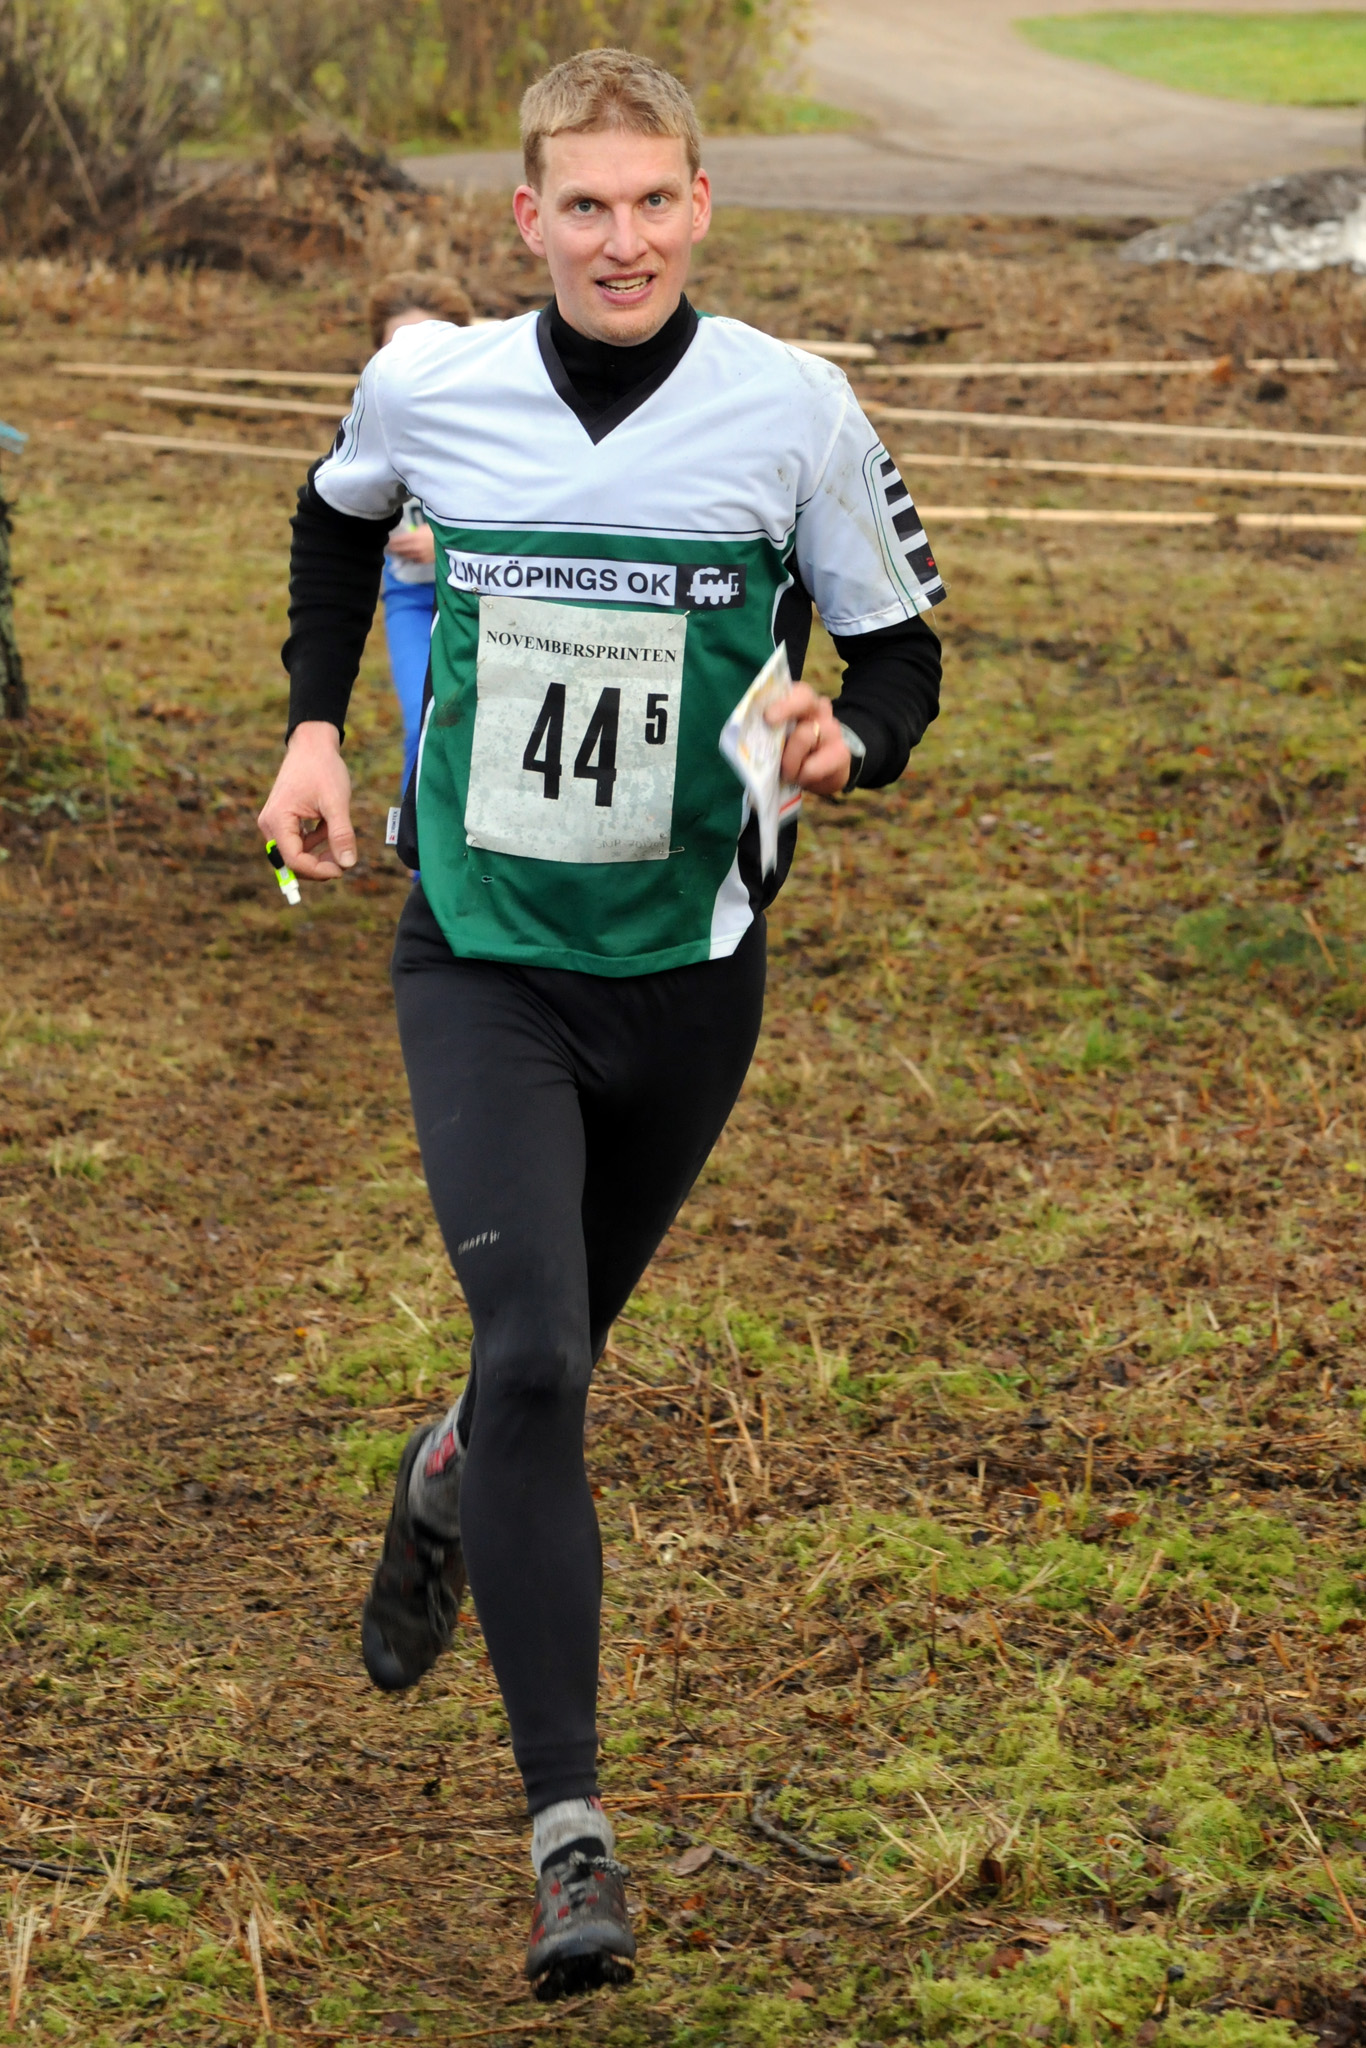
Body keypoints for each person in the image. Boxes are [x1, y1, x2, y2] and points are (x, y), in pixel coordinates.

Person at [257, 47, 944, 2002]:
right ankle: (570, 1833)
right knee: (541, 1353)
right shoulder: (434, 387)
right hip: (480, 955)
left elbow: (897, 648)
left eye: (652, 202)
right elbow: (334, 518)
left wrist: (850, 739)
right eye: (583, 204)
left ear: (701, 206)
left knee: (533, 1382)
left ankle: (446, 1471)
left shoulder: (791, 410)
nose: (619, 239)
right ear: (526, 218)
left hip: (690, 974)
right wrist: (314, 727)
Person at [367, 272, 474, 798]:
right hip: (410, 597)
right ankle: (416, 849)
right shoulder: (371, 419)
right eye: (395, 350)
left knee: (473, 733)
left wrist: (447, 543)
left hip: (482, 600)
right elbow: (343, 513)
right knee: (423, 726)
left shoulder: (494, 419)